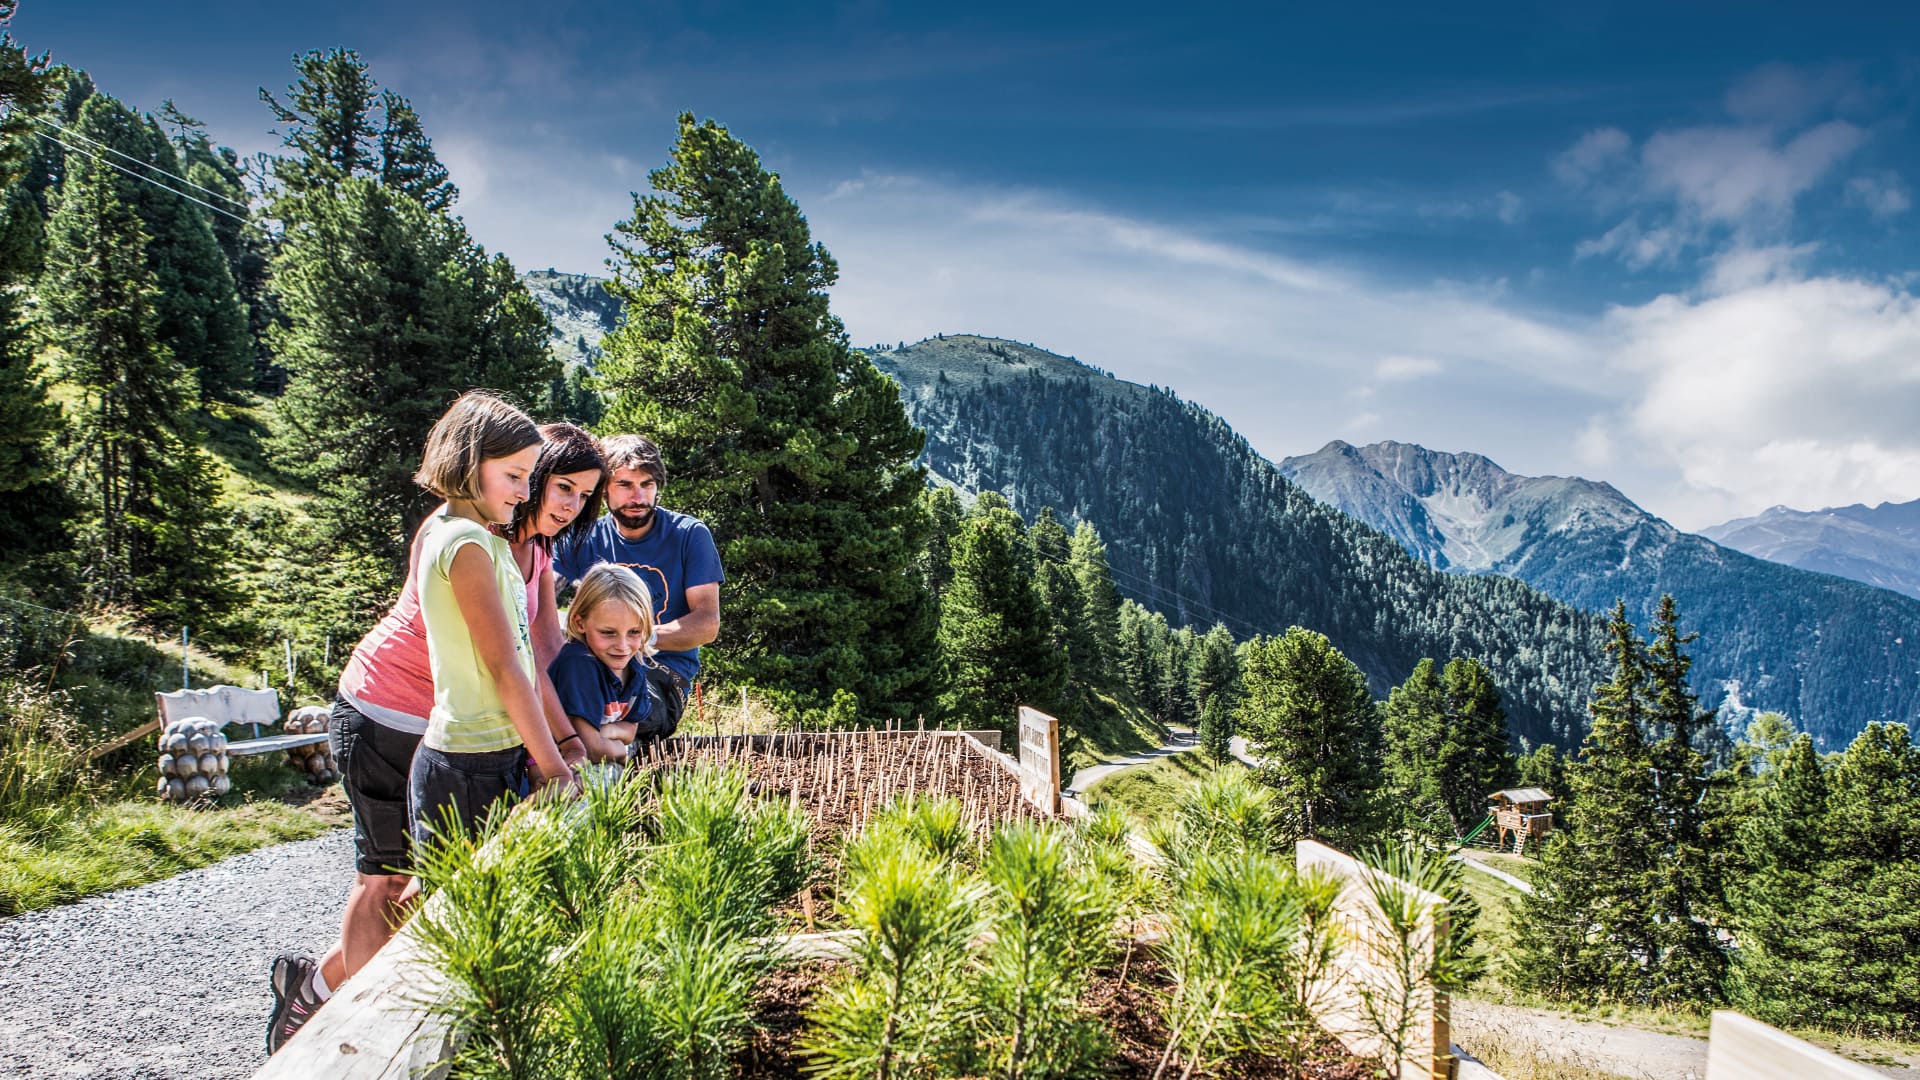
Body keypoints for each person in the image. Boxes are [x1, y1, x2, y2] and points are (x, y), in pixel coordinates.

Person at [266, 409, 602, 1054]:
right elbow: (507, 665)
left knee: (429, 892)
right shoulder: (466, 539)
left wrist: (565, 743)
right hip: (389, 711)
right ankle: (358, 1042)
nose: (566, 503)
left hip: (458, 728)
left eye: (583, 495)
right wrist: (554, 758)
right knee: (386, 881)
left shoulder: (529, 549)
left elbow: (538, 655)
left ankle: (319, 987)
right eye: (558, 485)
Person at [554, 434, 722, 732]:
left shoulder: (688, 534)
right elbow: (538, 592)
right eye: (625, 485)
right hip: (591, 666)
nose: (638, 497)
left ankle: (604, 743)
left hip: (660, 674)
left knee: (613, 709)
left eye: (647, 484)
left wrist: (634, 640)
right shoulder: (584, 536)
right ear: (603, 489)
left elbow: (707, 624)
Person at [549, 564, 674, 766]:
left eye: (634, 632)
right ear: (580, 623)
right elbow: (591, 750)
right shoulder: (579, 665)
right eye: (608, 633)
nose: (622, 646)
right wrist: (621, 751)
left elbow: (631, 731)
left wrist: (607, 731)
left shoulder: (634, 665)